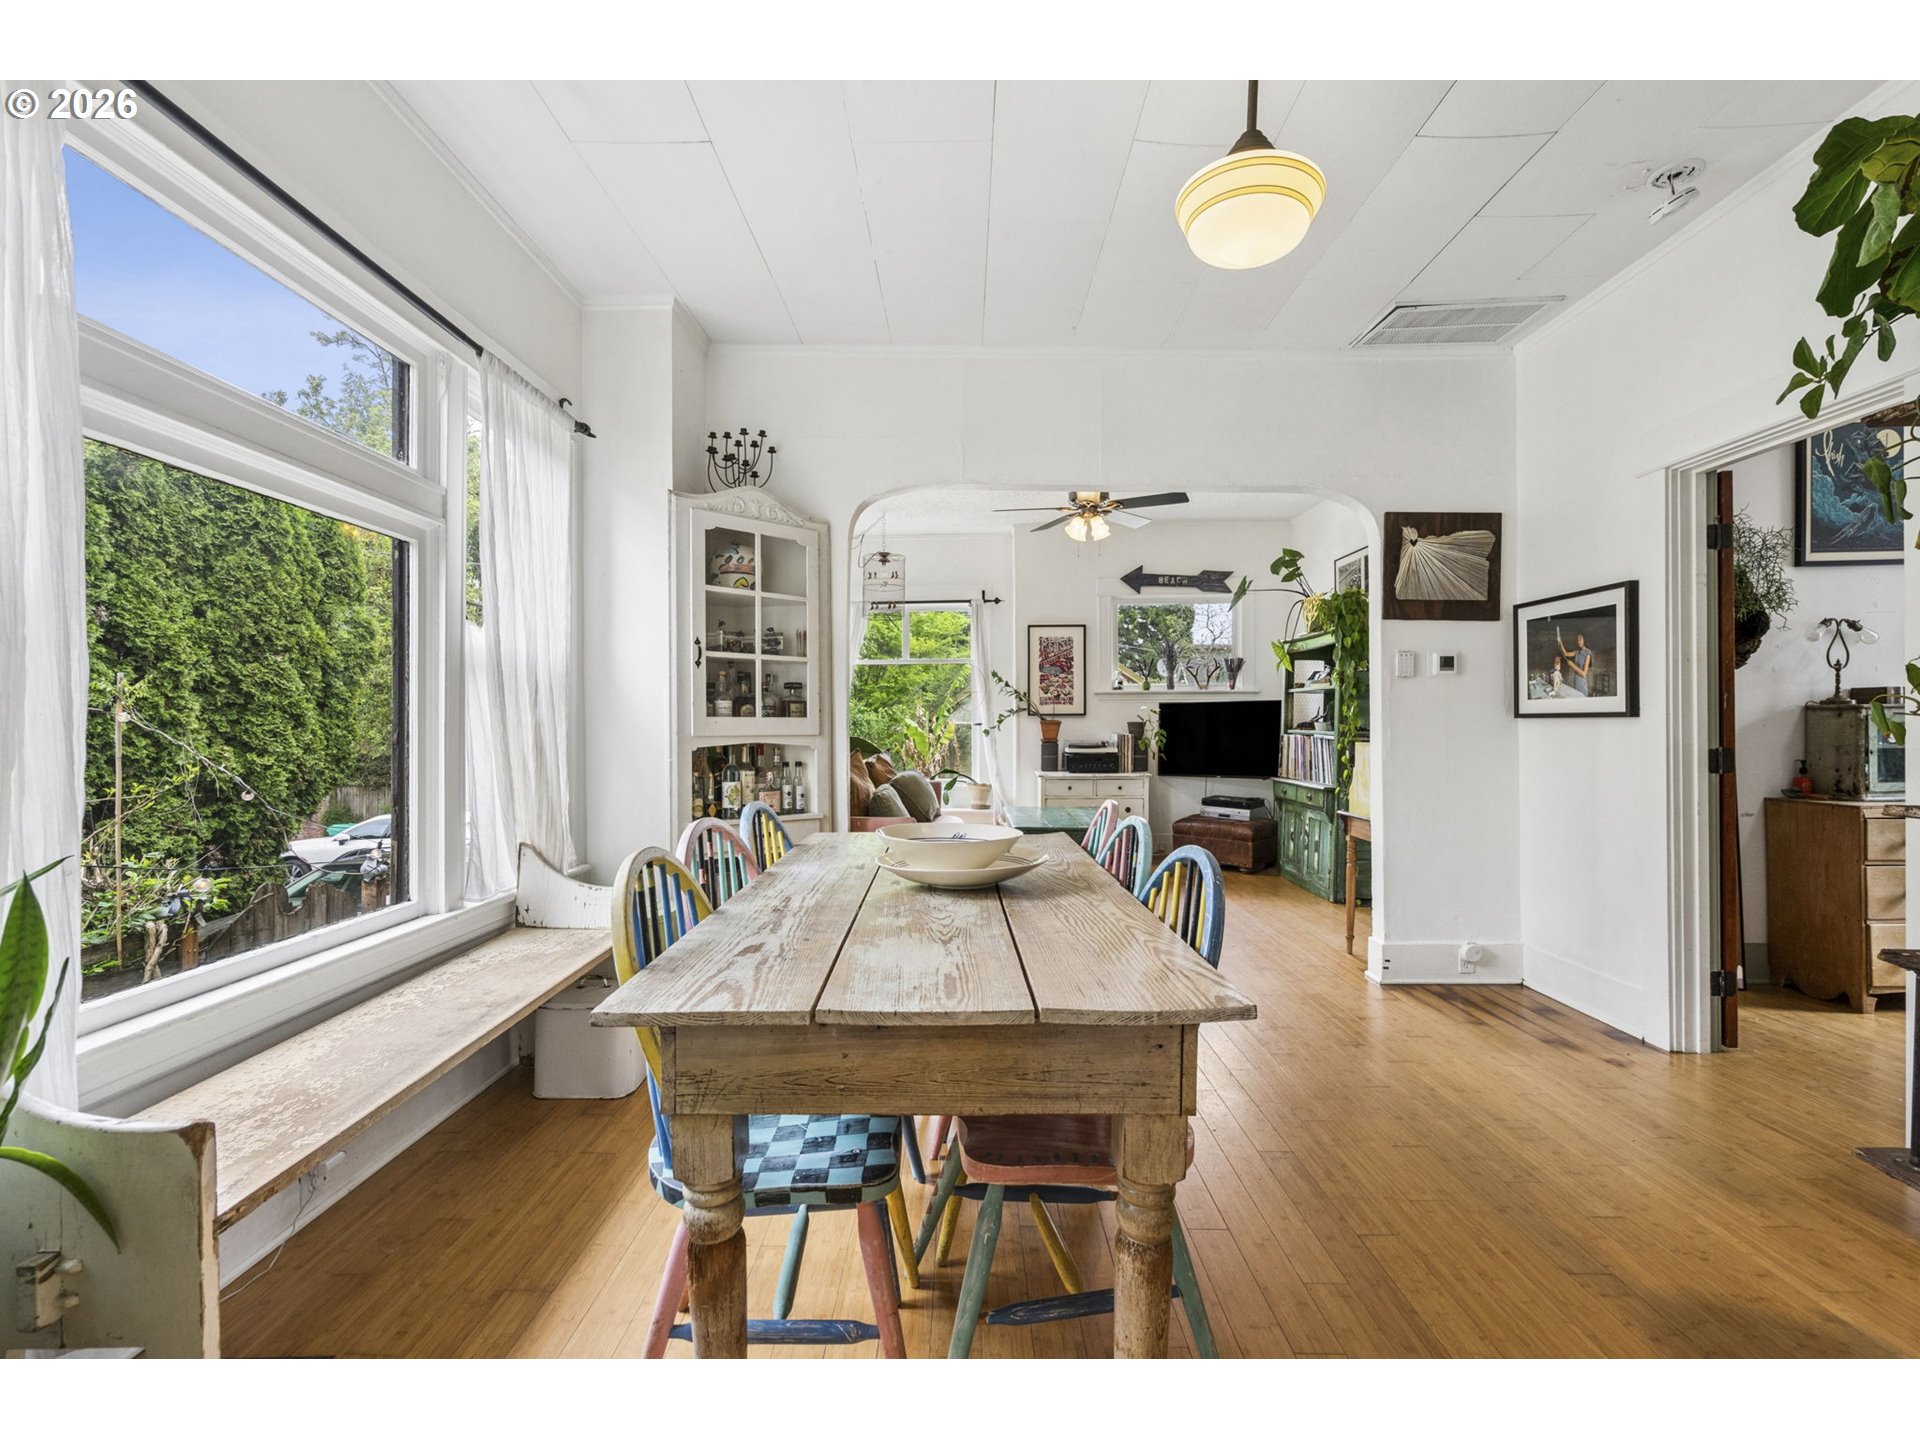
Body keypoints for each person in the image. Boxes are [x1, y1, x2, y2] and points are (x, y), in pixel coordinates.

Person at [1558, 632, 1593, 697]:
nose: (1579, 641)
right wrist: (1560, 642)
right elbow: (1565, 653)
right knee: (1576, 695)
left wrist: (1572, 665)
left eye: (1581, 639)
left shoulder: (1588, 653)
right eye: (1577, 640)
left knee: (1581, 696)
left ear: (1584, 640)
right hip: (1576, 679)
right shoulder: (1577, 652)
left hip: (1582, 681)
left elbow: (1583, 674)